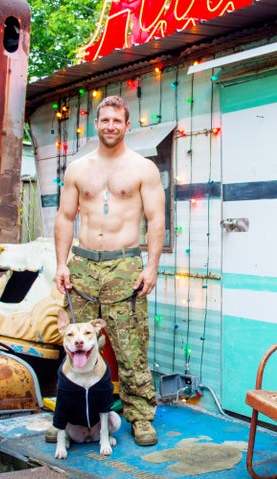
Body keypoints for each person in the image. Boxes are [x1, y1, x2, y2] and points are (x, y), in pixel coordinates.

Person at [53, 95, 166, 446]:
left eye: (117, 121)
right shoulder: (77, 168)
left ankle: (141, 417)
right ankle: (66, 420)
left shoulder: (142, 168)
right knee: (76, 346)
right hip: (83, 265)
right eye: (105, 120)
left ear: (127, 125)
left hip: (125, 265)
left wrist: (152, 267)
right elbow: (65, 218)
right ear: (96, 124)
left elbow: (156, 219)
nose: (111, 126)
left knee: (130, 348)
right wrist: (60, 263)